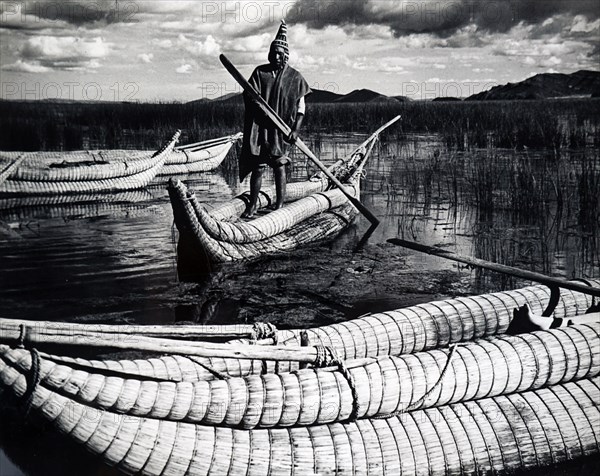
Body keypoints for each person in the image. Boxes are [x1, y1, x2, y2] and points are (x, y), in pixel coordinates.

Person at [240, 20, 311, 218]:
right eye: (273, 52)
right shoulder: (260, 73)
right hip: (261, 128)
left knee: (279, 165)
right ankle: (252, 205)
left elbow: (301, 107)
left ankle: (279, 205)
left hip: (281, 130)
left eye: (280, 53)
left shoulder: (294, 78)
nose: (276, 56)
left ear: (286, 55)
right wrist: (256, 105)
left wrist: (295, 130)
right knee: (258, 167)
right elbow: (249, 94)